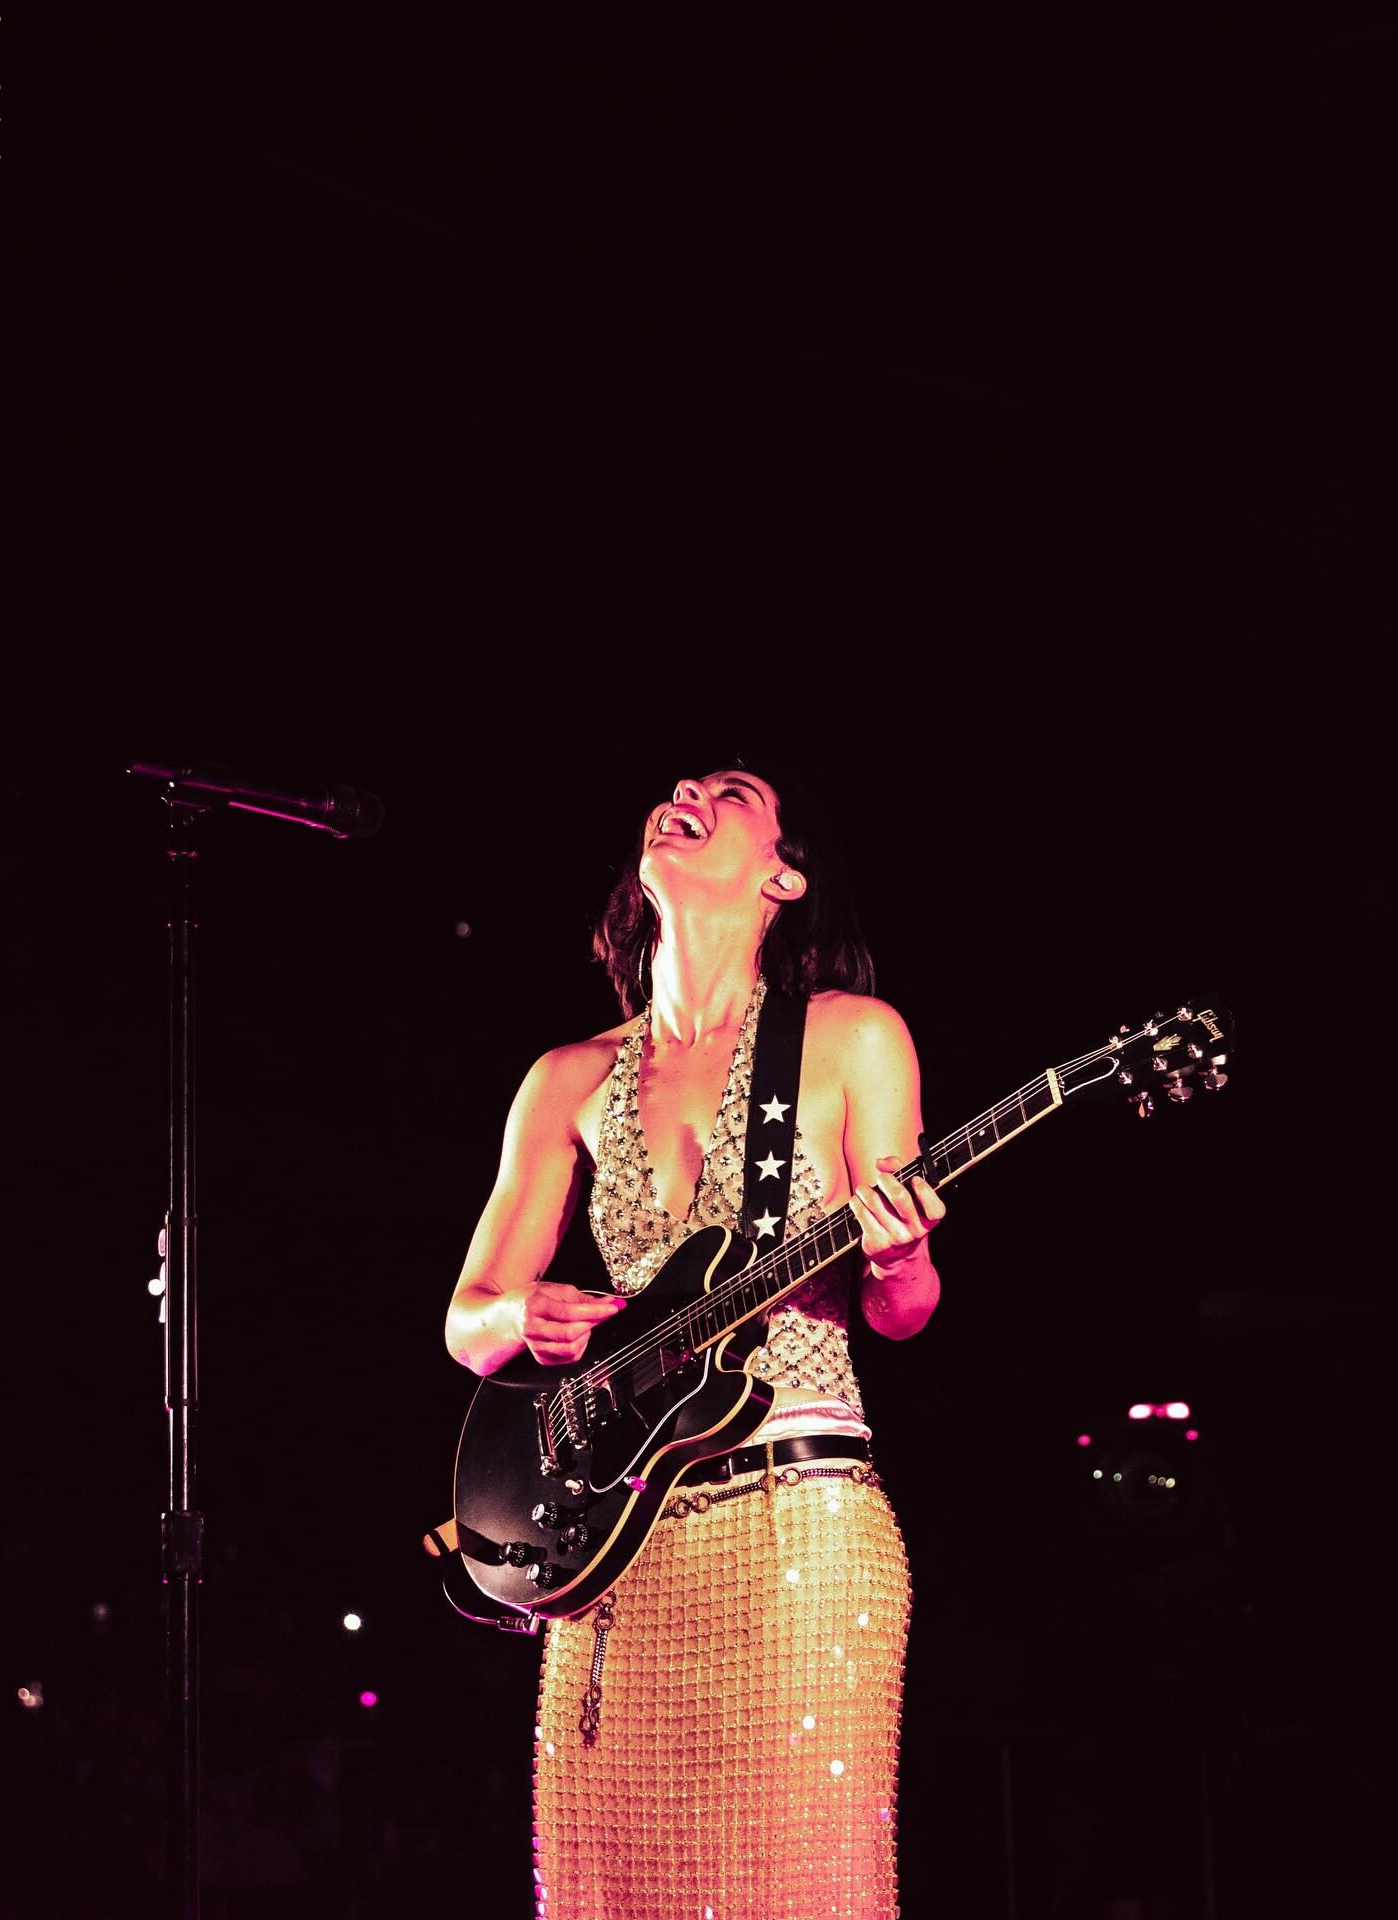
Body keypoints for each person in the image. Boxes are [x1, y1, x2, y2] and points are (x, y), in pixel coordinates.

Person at [445, 767, 945, 1920]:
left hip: (800, 1522)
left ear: (784, 876)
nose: (687, 789)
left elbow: (905, 1313)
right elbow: (469, 1316)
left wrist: (901, 1258)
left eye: (733, 792)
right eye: (686, 782)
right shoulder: (567, 1077)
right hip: (614, 1540)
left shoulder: (851, 1038)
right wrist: (521, 1315)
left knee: (800, 1888)